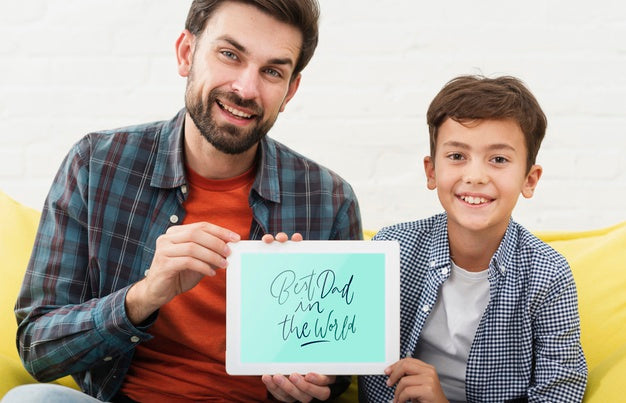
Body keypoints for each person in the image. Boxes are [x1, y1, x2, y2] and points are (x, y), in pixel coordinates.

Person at [7, 1, 362, 402]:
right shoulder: (95, 164)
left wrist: (317, 383)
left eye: (272, 71)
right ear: (186, 53)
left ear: (290, 90)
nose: (246, 89)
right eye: (230, 55)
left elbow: (340, 371)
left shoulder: (329, 200)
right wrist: (143, 296)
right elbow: (38, 350)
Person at [359, 75, 587, 402]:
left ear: (530, 179)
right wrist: (285, 263)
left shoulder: (549, 277)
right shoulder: (392, 249)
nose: (476, 176)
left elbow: (560, 393)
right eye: (457, 156)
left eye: (499, 159)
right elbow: (338, 338)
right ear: (431, 172)